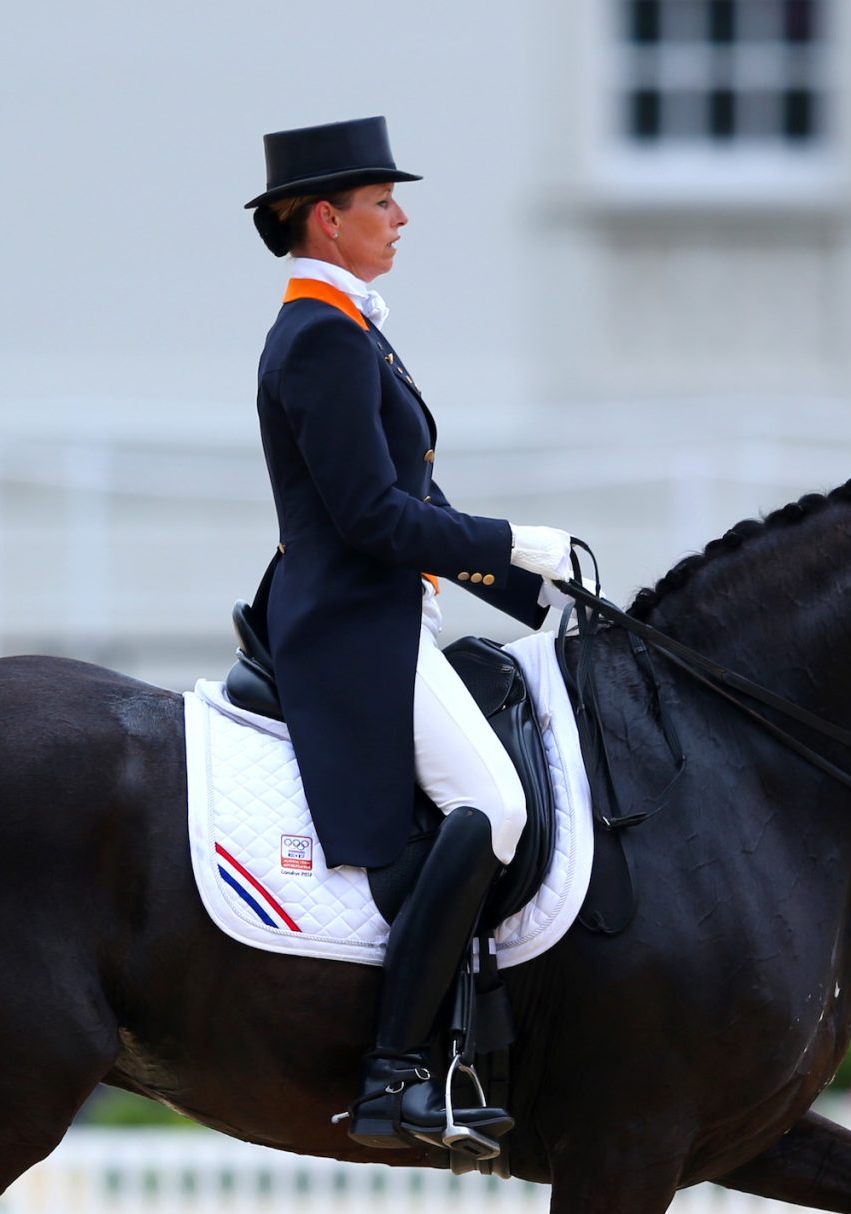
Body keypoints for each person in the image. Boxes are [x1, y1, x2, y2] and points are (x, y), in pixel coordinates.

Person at [245, 117, 576, 1153]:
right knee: (496, 802)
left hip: (387, 614)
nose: (400, 217)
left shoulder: (349, 330)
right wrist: (511, 540)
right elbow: (374, 518)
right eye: (381, 202)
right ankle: (397, 1072)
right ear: (324, 219)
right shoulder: (319, 339)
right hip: (353, 628)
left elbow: (402, 506)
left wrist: (516, 578)